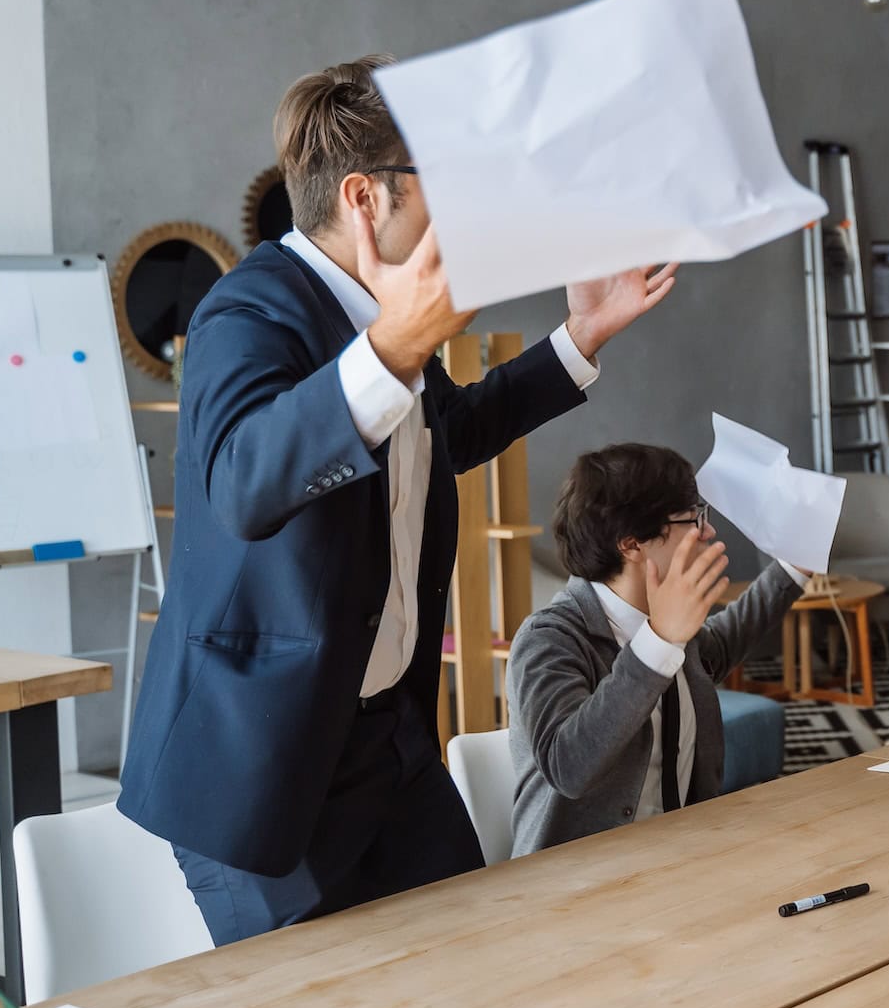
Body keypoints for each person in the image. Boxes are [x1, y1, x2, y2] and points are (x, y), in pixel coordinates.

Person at [117, 55, 679, 944]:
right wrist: (388, 351)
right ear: (365, 199)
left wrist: (579, 338)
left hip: (387, 741)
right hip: (265, 759)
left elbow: (444, 435)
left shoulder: (377, 312)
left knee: (477, 974)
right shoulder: (246, 312)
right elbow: (244, 483)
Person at [505, 443, 809, 856]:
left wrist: (794, 566)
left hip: (684, 858)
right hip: (579, 887)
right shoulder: (548, 638)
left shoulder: (668, 622)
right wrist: (659, 641)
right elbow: (568, 766)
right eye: (692, 518)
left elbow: (724, 641)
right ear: (631, 545)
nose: (708, 531)